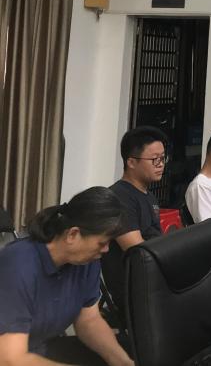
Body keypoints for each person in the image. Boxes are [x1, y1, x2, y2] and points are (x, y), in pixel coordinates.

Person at [0, 187, 133, 366]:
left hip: (40, 348)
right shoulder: (18, 264)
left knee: (128, 348)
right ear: (73, 234)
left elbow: (89, 320)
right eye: (102, 243)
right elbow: (10, 359)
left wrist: (121, 361)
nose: (106, 249)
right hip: (10, 355)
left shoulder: (86, 261)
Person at [103, 126, 167, 314]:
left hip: (154, 280)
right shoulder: (119, 196)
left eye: (163, 158)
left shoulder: (149, 196)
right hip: (136, 288)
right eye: (154, 159)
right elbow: (138, 253)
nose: (161, 164)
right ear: (131, 162)